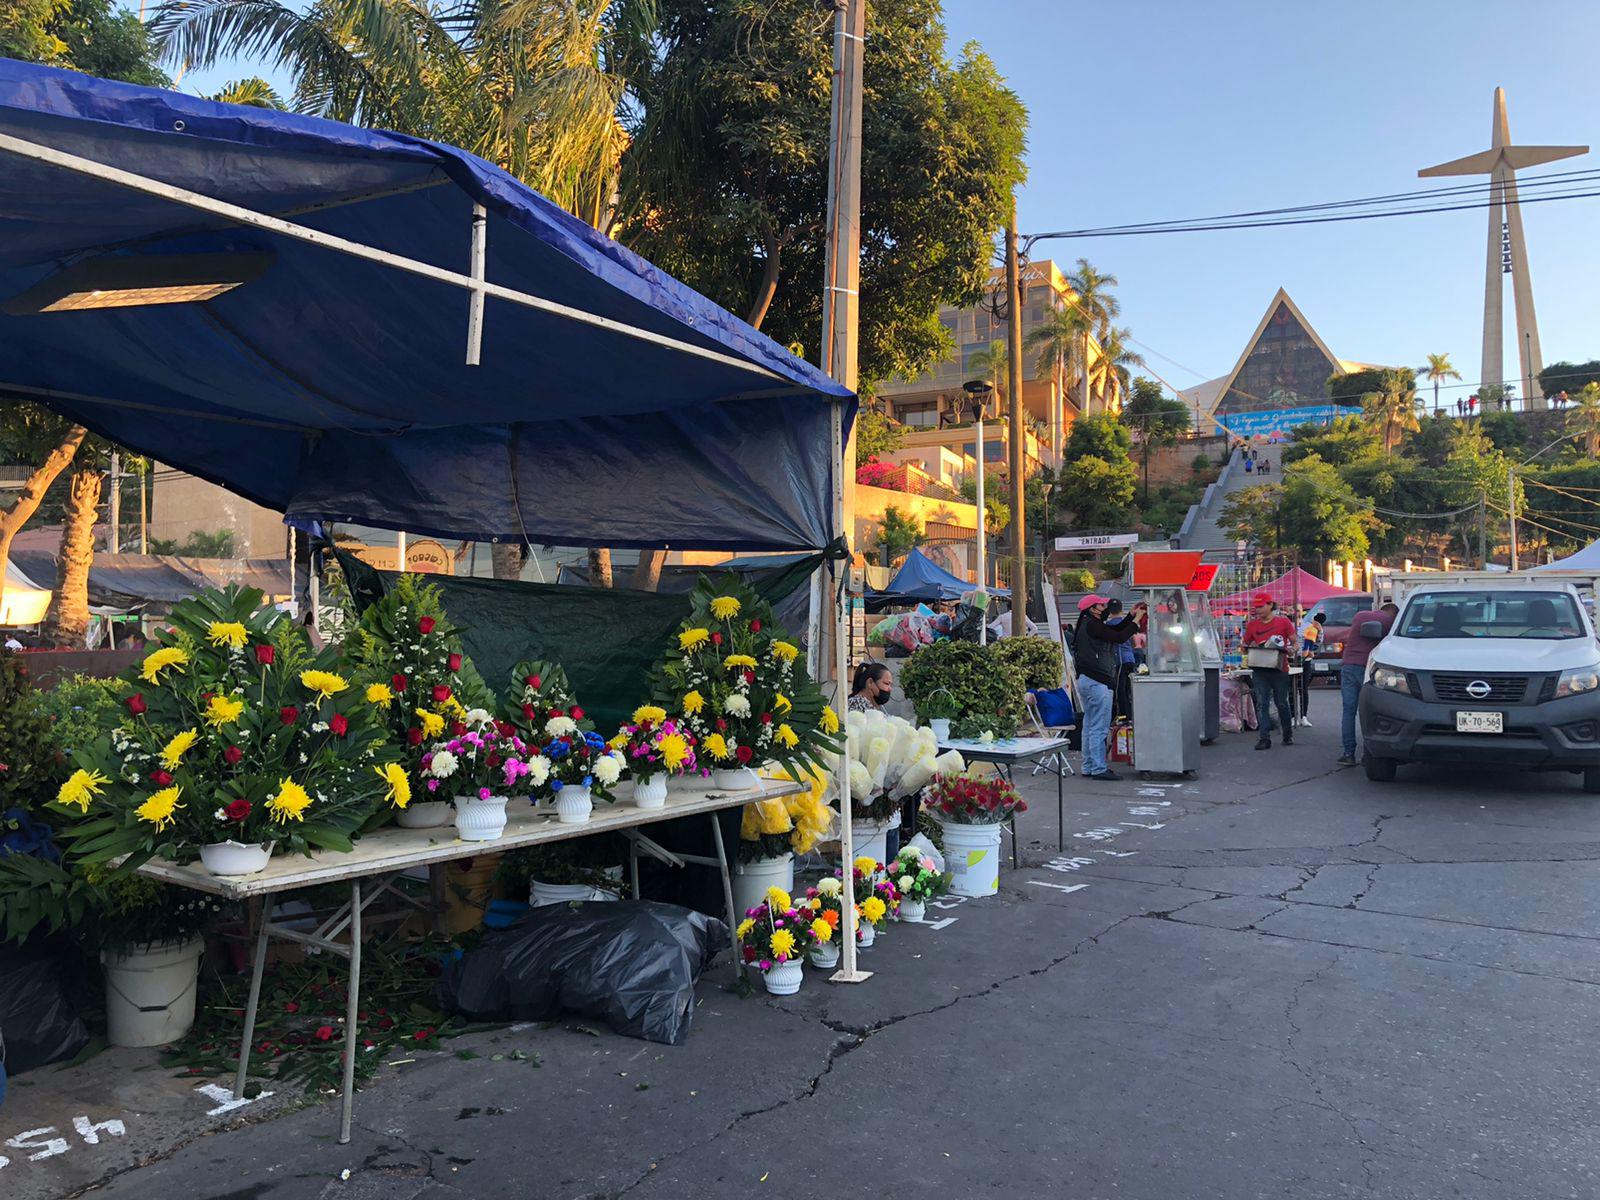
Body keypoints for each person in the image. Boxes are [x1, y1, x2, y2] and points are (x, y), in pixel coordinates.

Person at [1073, 595, 1145, 781]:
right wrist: (1136, 622)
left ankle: (1088, 766)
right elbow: (1119, 637)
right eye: (1102, 604)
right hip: (1098, 682)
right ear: (1093, 608)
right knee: (1098, 727)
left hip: (1087, 681)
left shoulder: (1088, 624)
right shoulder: (1093, 625)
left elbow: (1114, 631)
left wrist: (1129, 616)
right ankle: (1098, 767)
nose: (1106, 607)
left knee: (1089, 726)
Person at [1337, 600, 1398, 766]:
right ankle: (1369, 754)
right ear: (1394, 613)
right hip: (1369, 669)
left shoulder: (1359, 616)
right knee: (1370, 712)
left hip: (1348, 665)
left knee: (1348, 711)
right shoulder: (1390, 622)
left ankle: (1348, 753)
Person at [1242, 592, 1297, 750]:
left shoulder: (1283, 622)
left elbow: (1295, 643)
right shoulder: (1252, 625)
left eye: (1260, 606)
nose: (1257, 610)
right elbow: (1244, 645)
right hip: (1260, 669)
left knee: (1281, 703)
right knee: (1262, 703)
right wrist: (1247, 649)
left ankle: (1287, 733)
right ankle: (1264, 738)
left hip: (1279, 669)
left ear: (1270, 605)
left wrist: (1291, 650)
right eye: (1256, 607)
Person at [1297, 611, 1326, 726]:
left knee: (1303, 688)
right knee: (1291, 689)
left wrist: (1320, 630)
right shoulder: (1288, 625)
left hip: (1306, 661)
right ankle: (1293, 717)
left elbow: (1318, 642)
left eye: (1299, 611)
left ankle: (1304, 716)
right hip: (1291, 660)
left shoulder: (1308, 626)